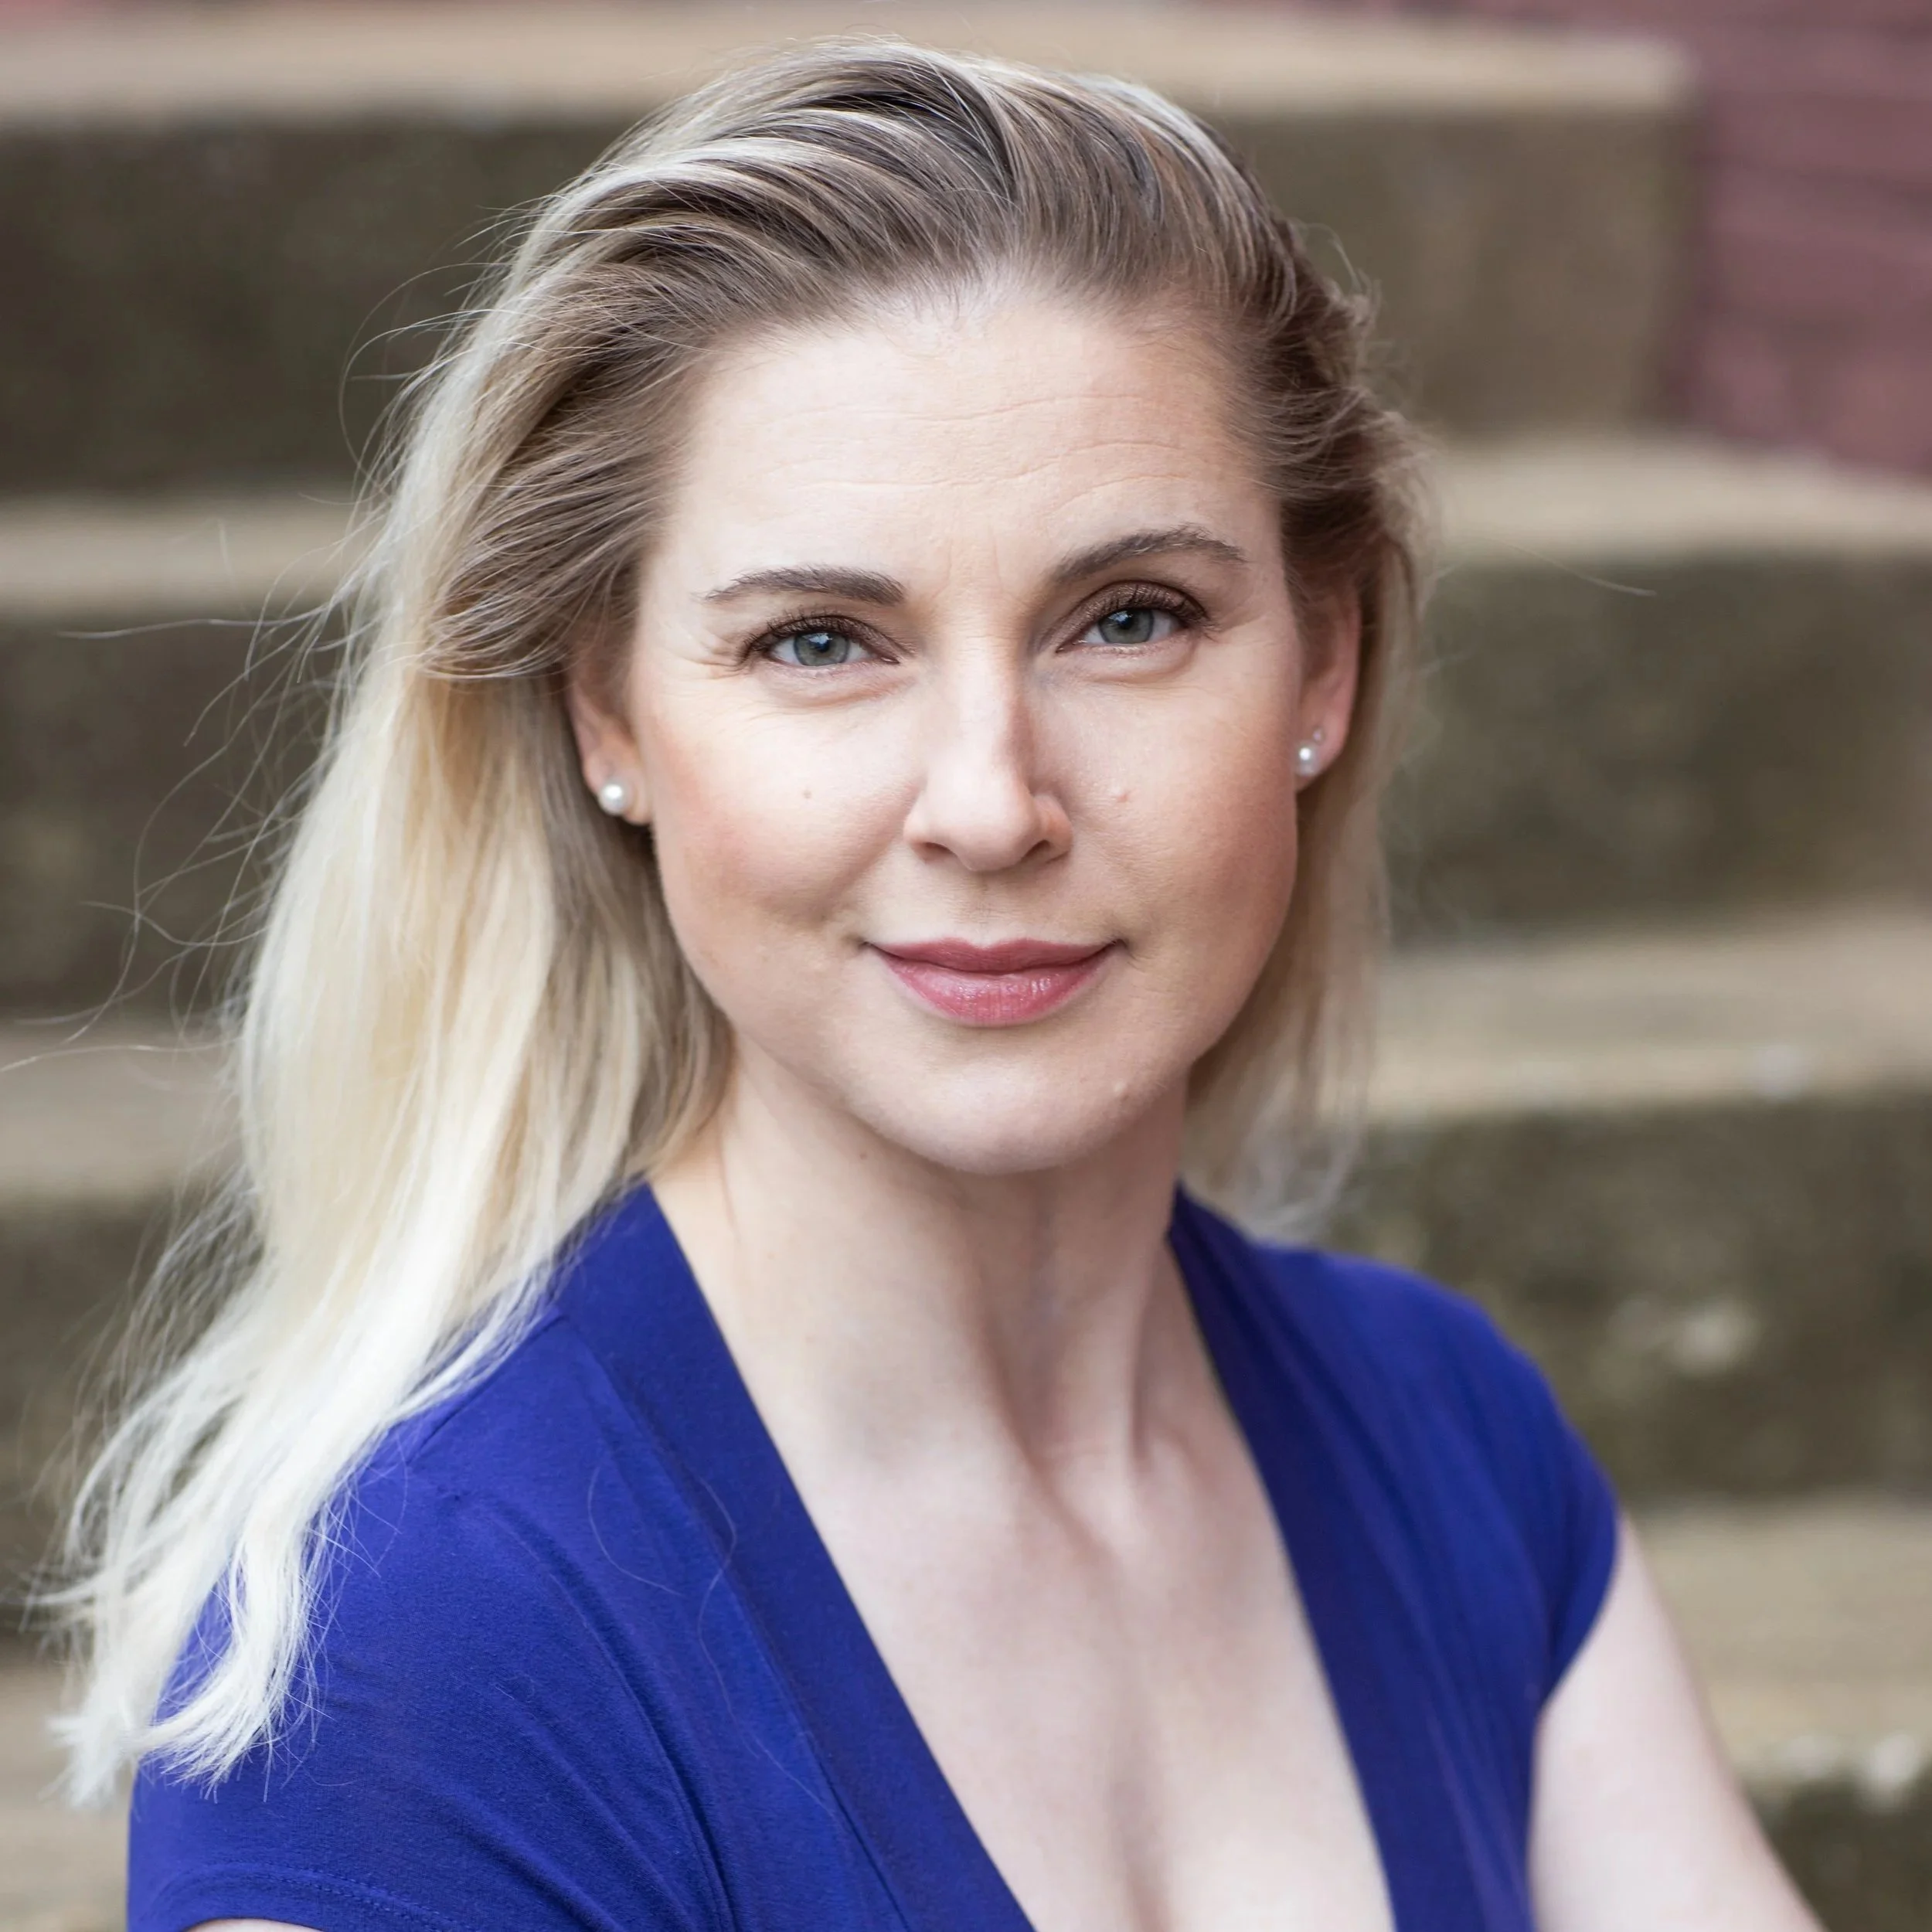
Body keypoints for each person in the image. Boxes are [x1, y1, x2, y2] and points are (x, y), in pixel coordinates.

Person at [56, 39, 1815, 1932]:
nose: (988, 800)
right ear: (606, 715)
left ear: (1322, 662)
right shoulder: (425, 1659)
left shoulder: (1443, 1437)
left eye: (1128, 617)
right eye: (821, 640)